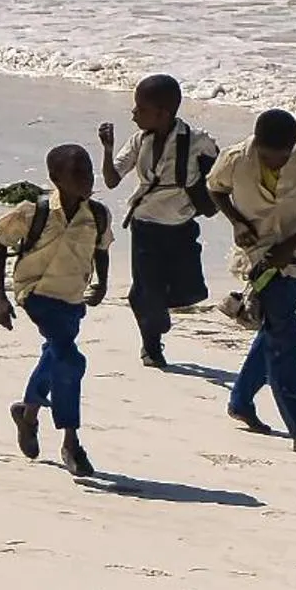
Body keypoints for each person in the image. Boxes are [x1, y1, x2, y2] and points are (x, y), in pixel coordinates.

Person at [206, 108, 296, 450]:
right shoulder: (235, 158)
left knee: (274, 330)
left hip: (295, 260)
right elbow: (214, 189)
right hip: (255, 259)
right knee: (284, 343)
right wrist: (236, 222)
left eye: (283, 157)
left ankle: (240, 401)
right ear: (257, 145)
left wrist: (289, 246)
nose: (277, 164)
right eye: (269, 158)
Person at [0, 145, 112, 479]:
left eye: (89, 173)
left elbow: (101, 250)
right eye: (78, 175)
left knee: (56, 354)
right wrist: (0, 298)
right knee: (72, 360)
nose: (87, 180)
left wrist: (103, 284)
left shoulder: (98, 215)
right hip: (36, 292)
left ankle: (28, 413)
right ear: (56, 179)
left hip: (72, 298)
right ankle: (71, 442)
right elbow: (0, 246)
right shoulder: (35, 212)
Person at [99, 73, 220, 370]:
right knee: (149, 290)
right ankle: (151, 347)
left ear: (162, 113)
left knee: (191, 291)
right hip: (146, 225)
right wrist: (107, 148)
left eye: (140, 109)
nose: (133, 114)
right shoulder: (139, 141)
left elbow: (221, 179)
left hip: (180, 225)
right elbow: (113, 180)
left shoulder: (197, 142)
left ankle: (147, 304)